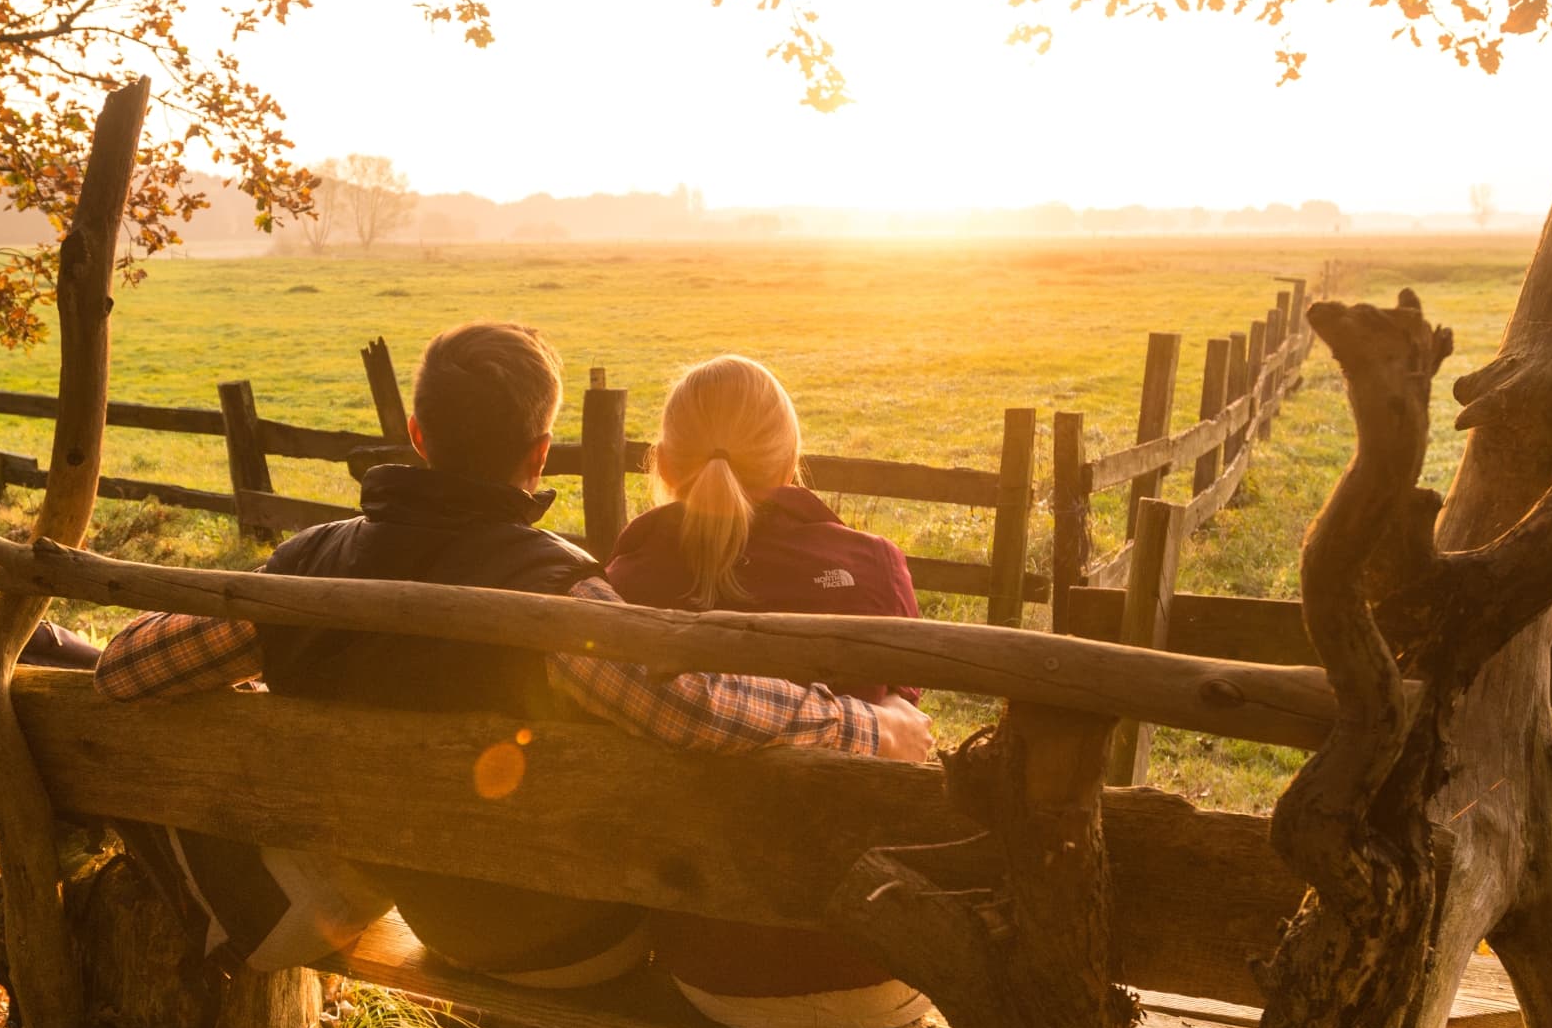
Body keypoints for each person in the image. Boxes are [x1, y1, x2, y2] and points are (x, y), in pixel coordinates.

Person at [95, 322, 932, 986]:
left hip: (438, 921)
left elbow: (126, 667)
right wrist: (867, 728)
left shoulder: (309, 572)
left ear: (418, 432)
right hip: (567, 941)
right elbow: (690, 706)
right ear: (539, 454)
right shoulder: (552, 599)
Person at [603, 354, 934, 1028]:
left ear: (662, 462)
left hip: (708, 970)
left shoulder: (623, 583)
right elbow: (904, 733)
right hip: (875, 971)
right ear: (790, 461)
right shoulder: (872, 563)